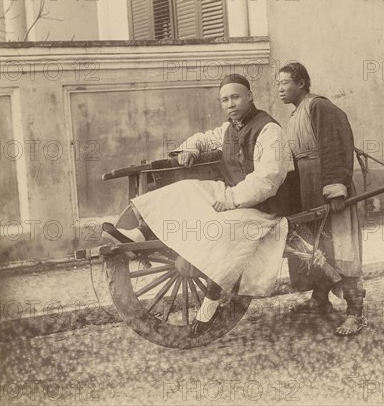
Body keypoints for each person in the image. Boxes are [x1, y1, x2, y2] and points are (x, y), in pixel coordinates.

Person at [103, 74, 293, 337]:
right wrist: (190, 149)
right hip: (233, 196)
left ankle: (212, 303)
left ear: (250, 96)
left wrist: (229, 199)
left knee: (220, 228)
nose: (230, 104)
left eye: (236, 97)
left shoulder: (269, 130)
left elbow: (268, 180)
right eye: (225, 100)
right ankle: (140, 235)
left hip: (264, 206)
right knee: (185, 189)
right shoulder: (229, 129)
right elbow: (204, 139)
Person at [277, 62, 367, 336]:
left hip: (327, 183)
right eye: (277, 84)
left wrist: (336, 186)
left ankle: (355, 312)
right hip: (307, 188)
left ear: (301, 83)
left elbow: (336, 144)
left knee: (341, 245)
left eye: (285, 83)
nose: (280, 89)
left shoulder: (319, 107)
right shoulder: (294, 117)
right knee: (315, 245)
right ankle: (320, 299)